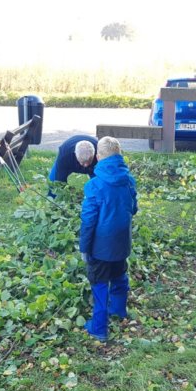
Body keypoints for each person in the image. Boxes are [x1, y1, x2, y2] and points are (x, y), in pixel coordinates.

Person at [78, 136, 138, 342]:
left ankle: (99, 328)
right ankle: (119, 311)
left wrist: (84, 247)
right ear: (119, 155)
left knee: (100, 283)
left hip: (100, 245)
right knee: (120, 274)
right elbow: (134, 208)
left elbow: (88, 220)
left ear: (98, 156)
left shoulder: (94, 185)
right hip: (122, 241)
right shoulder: (129, 180)